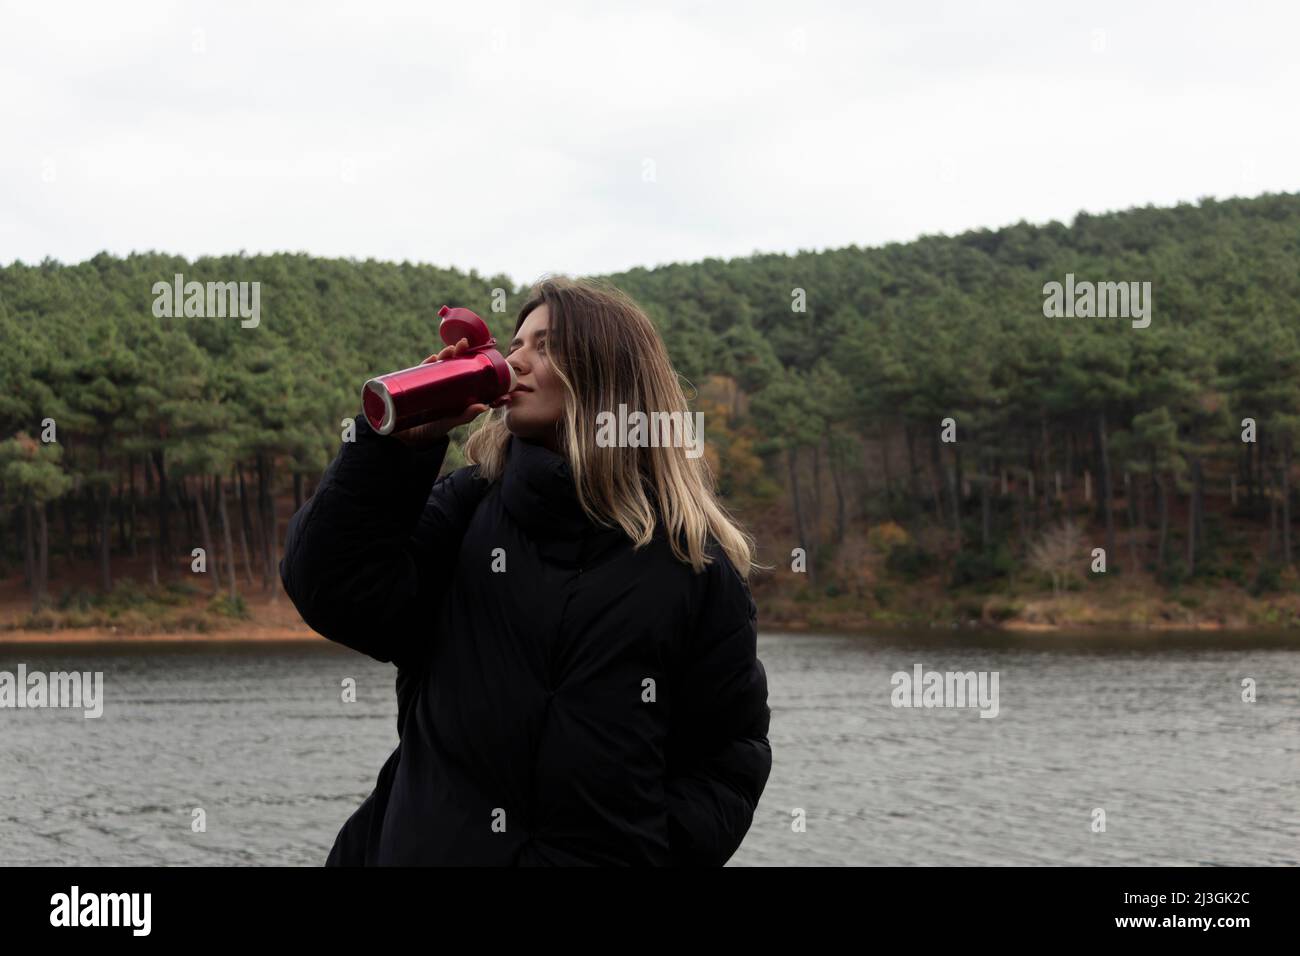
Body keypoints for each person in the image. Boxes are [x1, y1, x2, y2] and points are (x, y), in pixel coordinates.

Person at [280, 275, 772, 865]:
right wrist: (394, 450)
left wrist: (647, 852)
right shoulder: (467, 508)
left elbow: (728, 755)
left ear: (611, 374)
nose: (516, 358)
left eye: (546, 344)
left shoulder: (694, 560)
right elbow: (332, 590)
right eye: (515, 344)